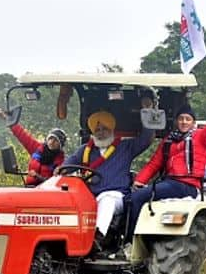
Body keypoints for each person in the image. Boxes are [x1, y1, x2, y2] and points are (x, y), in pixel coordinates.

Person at [128, 90, 206, 238]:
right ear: (177, 121)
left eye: (187, 119)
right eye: (181, 119)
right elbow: (153, 164)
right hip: (170, 184)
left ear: (193, 122)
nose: (184, 122)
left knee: (138, 198)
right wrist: (139, 181)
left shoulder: (201, 137)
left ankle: (131, 240)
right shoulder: (168, 141)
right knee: (130, 198)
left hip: (187, 185)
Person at [63, 97, 154, 248]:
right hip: (89, 196)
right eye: (97, 130)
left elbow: (146, 139)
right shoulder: (85, 150)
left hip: (117, 196)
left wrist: (148, 111)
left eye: (104, 129)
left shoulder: (125, 147)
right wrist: (60, 171)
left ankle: (97, 239)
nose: (101, 133)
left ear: (112, 129)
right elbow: (66, 166)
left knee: (107, 200)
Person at [0, 108, 66, 187]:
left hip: (47, 193)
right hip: (29, 190)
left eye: (56, 140)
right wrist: (7, 118)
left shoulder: (61, 162)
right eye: (50, 138)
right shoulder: (38, 148)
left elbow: (56, 183)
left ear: (60, 145)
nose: (52, 142)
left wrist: (38, 177)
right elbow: (22, 135)